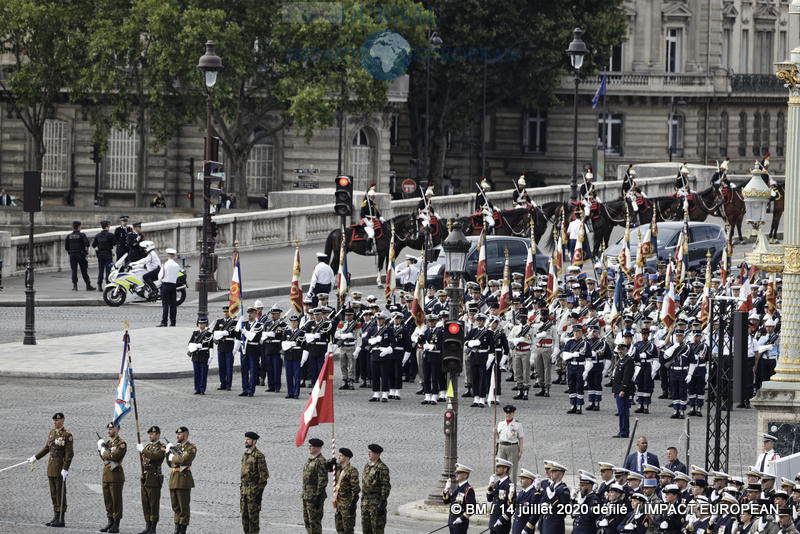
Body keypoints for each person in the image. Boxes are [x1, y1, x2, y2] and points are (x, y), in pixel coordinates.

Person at [28, 412, 73, 528]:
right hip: (51, 467)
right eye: (54, 421)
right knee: (53, 493)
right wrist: (35, 457)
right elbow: (47, 448)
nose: (55, 423)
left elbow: (69, 454)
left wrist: (65, 468)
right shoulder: (52, 433)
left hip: (60, 467)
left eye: (57, 421)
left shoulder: (67, 435)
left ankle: (61, 519)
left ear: (62, 420)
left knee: (60, 493)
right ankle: (55, 516)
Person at [165, 426, 196, 534]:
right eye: (177, 434)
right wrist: (168, 452)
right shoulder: (176, 447)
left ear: (185, 435)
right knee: (175, 506)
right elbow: (170, 464)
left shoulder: (191, 448)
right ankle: (176, 528)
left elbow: (183, 460)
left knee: (184, 507)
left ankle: (182, 530)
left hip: (183, 480)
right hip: (174, 479)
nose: (177, 436)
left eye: (179, 434)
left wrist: (172, 457)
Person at [97, 422, 127, 533]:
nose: (109, 431)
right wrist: (100, 449)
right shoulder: (108, 443)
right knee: (108, 500)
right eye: (108, 429)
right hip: (107, 474)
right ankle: (110, 521)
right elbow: (104, 458)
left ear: (117, 429)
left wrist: (104, 451)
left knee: (116, 500)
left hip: (116, 475)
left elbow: (114, 456)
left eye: (111, 429)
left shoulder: (121, 443)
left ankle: (116, 524)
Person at [136, 425, 165, 534]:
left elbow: (154, 457)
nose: (150, 436)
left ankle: (153, 527)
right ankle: (147, 525)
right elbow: (144, 460)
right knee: (145, 503)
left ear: (158, 435)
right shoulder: (148, 446)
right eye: (149, 434)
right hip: (145, 477)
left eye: (152, 434)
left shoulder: (162, 447)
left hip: (154, 478)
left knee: (153, 503)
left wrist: (142, 450)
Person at [240, 431, 269, 534]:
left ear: (254, 441)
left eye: (248, 439)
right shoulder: (245, 454)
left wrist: (259, 493)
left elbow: (264, 476)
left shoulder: (259, 456)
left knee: (253, 520)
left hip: (253, 492)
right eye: (245, 439)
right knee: (244, 518)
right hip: (244, 492)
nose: (245, 441)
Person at [329, 447, 360, 534]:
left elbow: (356, 488)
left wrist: (353, 503)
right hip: (338, 504)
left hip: (347, 504)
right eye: (339, 455)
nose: (339, 457)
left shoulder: (352, 471)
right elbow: (327, 469)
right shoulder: (337, 468)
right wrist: (330, 463)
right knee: (339, 528)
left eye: (341, 455)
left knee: (348, 529)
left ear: (347, 457)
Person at [361, 443, 391, 534]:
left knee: (377, 529)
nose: (368, 453)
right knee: (366, 530)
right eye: (368, 452)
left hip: (376, 503)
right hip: (366, 503)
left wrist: (382, 502)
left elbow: (385, 486)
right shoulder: (367, 466)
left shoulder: (382, 468)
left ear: (377, 454)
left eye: (371, 452)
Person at [302, 438, 328, 534]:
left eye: (311, 446)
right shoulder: (310, 460)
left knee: (314, 523)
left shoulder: (320, 461)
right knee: (307, 521)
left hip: (314, 497)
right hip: (306, 496)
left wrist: (318, 496)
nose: (309, 447)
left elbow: (323, 480)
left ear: (317, 448)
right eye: (309, 445)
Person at [442, 463, 476, 534]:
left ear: (465, 475)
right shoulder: (456, 487)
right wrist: (446, 490)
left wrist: (461, 519)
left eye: (459, 473)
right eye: (456, 473)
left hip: (460, 523)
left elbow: (472, 508)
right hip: (452, 521)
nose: (456, 475)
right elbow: (446, 501)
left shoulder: (468, 489)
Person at [238, 306, 264, 397]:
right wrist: (238, 323)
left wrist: (246, 333)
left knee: (253, 371)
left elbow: (255, 337)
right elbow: (237, 334)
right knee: (244, 371)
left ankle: (251, 390)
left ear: (255, 314)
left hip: (253, 351)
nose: (249, 314)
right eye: (248, 313)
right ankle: (245, 389)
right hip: (244, 351)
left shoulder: (259, 325)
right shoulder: (244, 324)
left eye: (251, 313)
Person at [612, 343, 636, 439]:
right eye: (619, 350)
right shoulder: (621, 360)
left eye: (622, 349)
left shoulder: (628, 360)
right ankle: (622, 430)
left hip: (623, 391)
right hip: (618, 389)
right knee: (621, 411)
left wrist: (623, 389)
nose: (620, 351)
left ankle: (624, 432)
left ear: (626, 350)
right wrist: (615, 390)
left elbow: (627, 377)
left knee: (624, 412)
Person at [496, 405, 524, 484]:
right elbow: (498, 437)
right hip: (502, 447)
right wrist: (495, 433)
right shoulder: (501, 424)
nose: (508, 415)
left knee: (512, 470)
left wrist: (520, 451)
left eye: (510, 413)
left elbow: (521, 438)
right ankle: (502, 486)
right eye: (507, 413)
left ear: (513, 413)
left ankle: (512, 489)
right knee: (501, 468)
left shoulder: (517, 424)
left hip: (513, 447)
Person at [334, 308, 361, 390]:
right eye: (346, 315)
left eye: (350, 315)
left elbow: (359, 336)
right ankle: (344, 380)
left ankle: (351, 381)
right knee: (343, 365)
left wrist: (358, 348)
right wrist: (343, 335)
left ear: (353, 315)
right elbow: (336, 334)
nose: (348, 317)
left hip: (352, 346)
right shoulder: (342, 323)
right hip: (343, 346)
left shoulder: (357, 324)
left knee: (352, 365)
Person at [65, 220, 95, 291]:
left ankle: (75, 286)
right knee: (84, 271)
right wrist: (85, 251)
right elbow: (87, 244)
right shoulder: (82, 235)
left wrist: (71, 251)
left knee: (74, 271)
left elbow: (66, 247)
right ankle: (88, 285)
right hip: (80, 254)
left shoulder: (69, 236)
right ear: (79, 227)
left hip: (72, 255)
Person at [212, 306, 237, 391]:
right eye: (224, 312)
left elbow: (236, 334)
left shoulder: (234, 322)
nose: (226, 313)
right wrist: (221, 333)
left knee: (229, 367)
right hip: (221, 346)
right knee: (221, 366)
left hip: (229, 346)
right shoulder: (219, 322)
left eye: (227, 312)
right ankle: (223, 383)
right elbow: (214, 332)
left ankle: (228, 385)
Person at [281, 314, 306, 399]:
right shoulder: (286, 332)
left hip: (297, 356)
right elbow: (282, 343)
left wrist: (303, 358)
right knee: (288, 376)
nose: (293, 323)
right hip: (288, 356)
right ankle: (290, 392)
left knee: (297, 376)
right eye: (292, 322)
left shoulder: (301, 332)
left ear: (298, 323)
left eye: (295, 322)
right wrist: (289, 344)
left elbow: (304, 345)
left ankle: (296, 393)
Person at [187, 317, 213, 395]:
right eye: (200, 323)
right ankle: (197, 388)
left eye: (202, 323)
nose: (201, 325)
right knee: (196, 373)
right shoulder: (195, 333)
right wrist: (195, 346)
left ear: (205, 324)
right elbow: (189, 343)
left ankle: (202, 389)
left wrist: (211, 356)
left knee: (203, 373)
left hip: (204, 355)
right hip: (196, 356)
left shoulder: (209, 334)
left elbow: (211, 346)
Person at [487, 457, 513, 533]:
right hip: (493, 522)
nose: (496, 469)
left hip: (502, 524)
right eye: (496, 466)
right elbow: (489, 499)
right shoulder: (497, 484)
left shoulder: (509, 485)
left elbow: (512, 506)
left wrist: (502, 519)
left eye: (498, 467)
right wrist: (490, 487)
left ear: (505, 469)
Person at [158, 248, 180, 327]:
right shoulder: (177, 265)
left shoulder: (165, 264)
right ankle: (173, 322)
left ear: (168, 255)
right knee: (173, 305)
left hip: (165, 285)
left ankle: (164, 322)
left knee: (165, 305)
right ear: (174, 255)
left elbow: (160, 276)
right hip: (173, 285)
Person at [92, 220, 116, 290]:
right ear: (107, 227)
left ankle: (99, 285)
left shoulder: (97, 235)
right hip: (108, 254)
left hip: (100, 254)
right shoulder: (110, 235)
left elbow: (93, 245)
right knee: (108, 270)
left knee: (101, 270)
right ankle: (108, 284)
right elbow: (115, 243)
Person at [360, 186, 382, 255]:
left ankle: (376, 247)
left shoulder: (373, 204)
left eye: (373, 196)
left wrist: (381, 217)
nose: (373, 197)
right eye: (372, 196)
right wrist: (367, 222)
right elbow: (362, 214)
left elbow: (377, 213)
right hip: (367, 222)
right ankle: (367, 249)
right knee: (371, 234)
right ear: (369, 196)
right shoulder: (365, 203)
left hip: (374, 222)